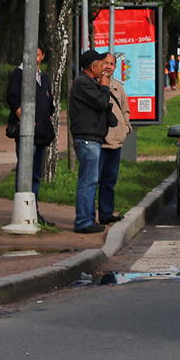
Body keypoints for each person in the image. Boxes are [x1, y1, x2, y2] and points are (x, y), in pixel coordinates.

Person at [5, 44, 57, 227]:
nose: (33, 57)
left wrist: (48, 115)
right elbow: (12, 98)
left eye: (37, 54)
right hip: (27, 134)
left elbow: (49, 101)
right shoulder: (19, 74)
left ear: (42, 56)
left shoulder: (43, 77)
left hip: (42, 134)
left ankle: (33, 211)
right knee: (24, 172)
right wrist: (25, 120)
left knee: (35, 173)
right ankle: (21, 212)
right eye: (30, 54)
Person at [69, 49, 116, 234]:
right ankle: (82, 221)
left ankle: (88, 218)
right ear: (93, 66)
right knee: (88, 181)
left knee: (91, 180)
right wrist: (104, 86)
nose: (103, 68)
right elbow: (102, 103)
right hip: (87, 138)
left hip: (92, 137)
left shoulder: (88, 82)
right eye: (101, 64)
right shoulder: (83, 83)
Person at [97, 52, 131, 225]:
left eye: (112, 64)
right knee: (94, 180)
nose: (109, 66)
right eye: (105, 63)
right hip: (100, 142)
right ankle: (88, 217)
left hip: (116, 142)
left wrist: (125, 128)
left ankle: (106, 213)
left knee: (110, 181)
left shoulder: (118, 87)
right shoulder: (94, 85)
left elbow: (125, 110)